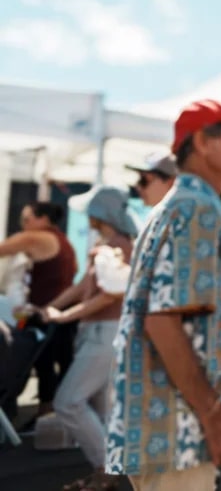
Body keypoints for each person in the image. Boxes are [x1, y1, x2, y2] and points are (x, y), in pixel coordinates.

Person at [105, 99, 221, 489]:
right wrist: (215, 418)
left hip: (152, 425)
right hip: (173, 430)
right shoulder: (198, 208)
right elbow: (161, 321)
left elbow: (160, 302)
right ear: (202, 143)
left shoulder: (175, 204)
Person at [18, 186, 138, 490]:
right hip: (99, 334)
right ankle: (105, 476)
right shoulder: (110, 243)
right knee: (100, 409)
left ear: (102, 214)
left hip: (104, 334)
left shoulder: (117, 246)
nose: (89, 216)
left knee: (68, 401)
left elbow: (110, 295)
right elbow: (83, 287)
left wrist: (64, 315)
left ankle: (107, 468)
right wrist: (50, 308)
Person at [0, 202, 77, 420]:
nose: (23, 226)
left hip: (46, 313)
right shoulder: (65, 242)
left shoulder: (38, 237)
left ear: (43, 219)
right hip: (58, 312)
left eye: (27, 219)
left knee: (40, 365)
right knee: (53, 366)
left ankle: (46, 417)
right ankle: (48, 418)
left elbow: (3, 249)